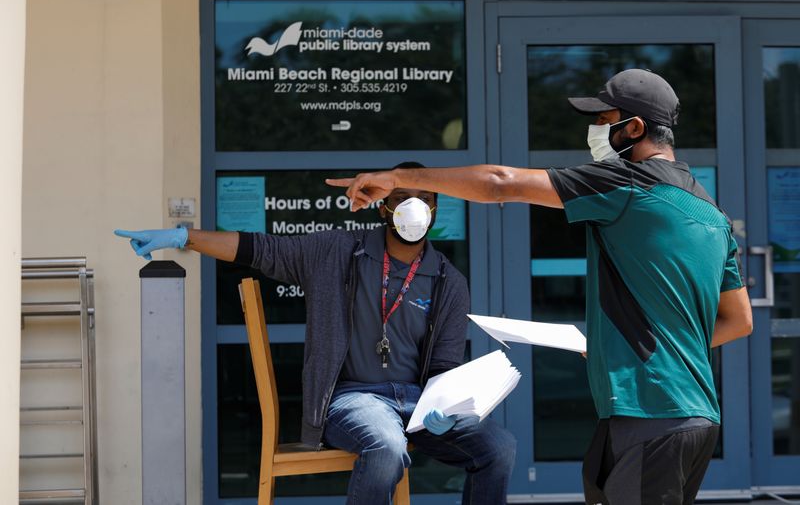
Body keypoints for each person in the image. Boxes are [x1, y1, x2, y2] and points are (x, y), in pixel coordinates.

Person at [327, 70, 754, 505]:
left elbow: (500, 184)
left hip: (650, 412)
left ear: (635, 128)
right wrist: (621, 344)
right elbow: (739, 320)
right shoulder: (712, 214)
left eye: (604, 120)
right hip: (690, 416)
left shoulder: (627, 183)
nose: (595, 132)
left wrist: (399, 179)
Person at [115, 162, 516, 505]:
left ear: (435, 207)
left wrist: (446, 407)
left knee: (499, 448)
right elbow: (260, 249)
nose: (413, 208)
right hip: (353, 399)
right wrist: (185, 237)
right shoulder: (338, 251)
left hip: (417, 405)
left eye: (424, 199)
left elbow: (444, 364)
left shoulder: (449, 280)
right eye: (400, 198)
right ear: (383, 208)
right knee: (386, 447)